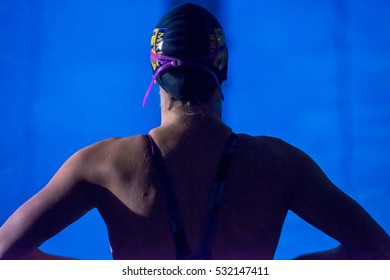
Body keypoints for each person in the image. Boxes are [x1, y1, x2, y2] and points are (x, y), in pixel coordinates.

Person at [0, 3, 389, 260]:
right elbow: (378, 250)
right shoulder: (279, 165)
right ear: (223, 71)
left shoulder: (101, 166)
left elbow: (5, 252)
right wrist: (297, 268)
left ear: (156, 76)